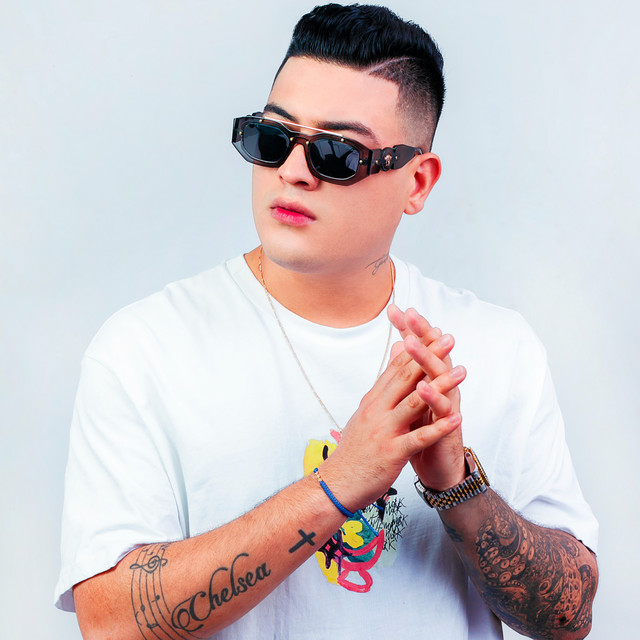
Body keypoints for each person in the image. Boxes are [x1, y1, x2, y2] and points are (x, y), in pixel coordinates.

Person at [55, 4, 598, 639]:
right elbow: (111, 624)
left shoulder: (498, 348)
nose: (291, 172)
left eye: (338, 154)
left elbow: (570, 618)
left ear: (417, 183)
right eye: (272, 138)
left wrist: (457, 484)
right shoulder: (145, 349)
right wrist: (338, 484)